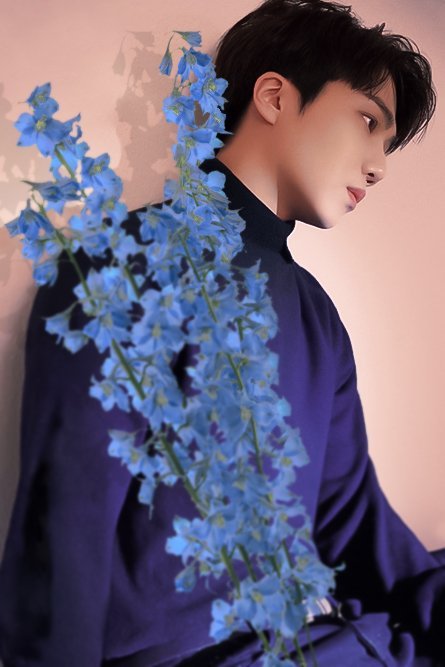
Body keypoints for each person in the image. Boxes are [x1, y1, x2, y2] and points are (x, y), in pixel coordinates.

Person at [0, 0, 443, 665]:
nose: (379, 165)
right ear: (274, 96)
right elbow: (63, 529)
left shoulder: (317, 317)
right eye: (367, 120)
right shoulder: (124, 263)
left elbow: (354, 523)